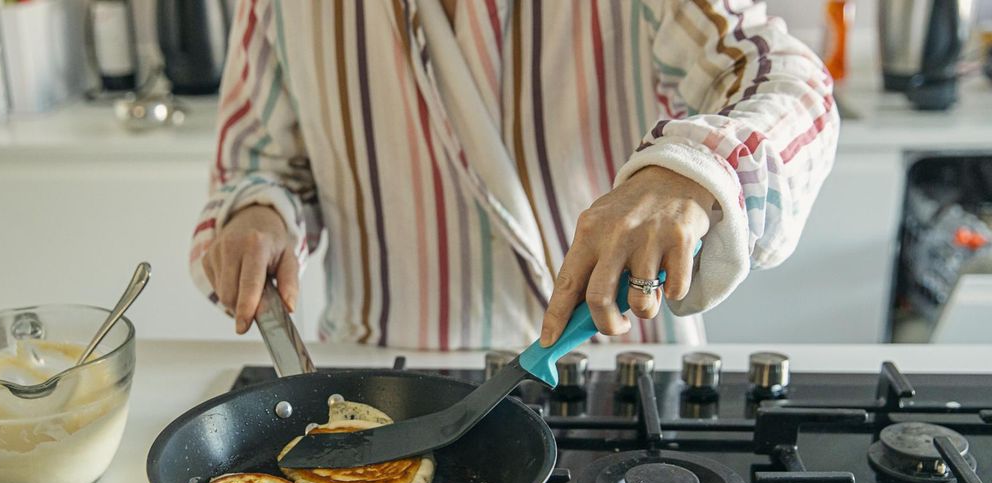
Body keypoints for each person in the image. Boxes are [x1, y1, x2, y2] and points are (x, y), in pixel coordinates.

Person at [190, 0, 838, 349]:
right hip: (382, 380)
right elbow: (258, 163)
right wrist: (259, 214)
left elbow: (791, 83)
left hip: (617, 372)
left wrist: (690, 172)